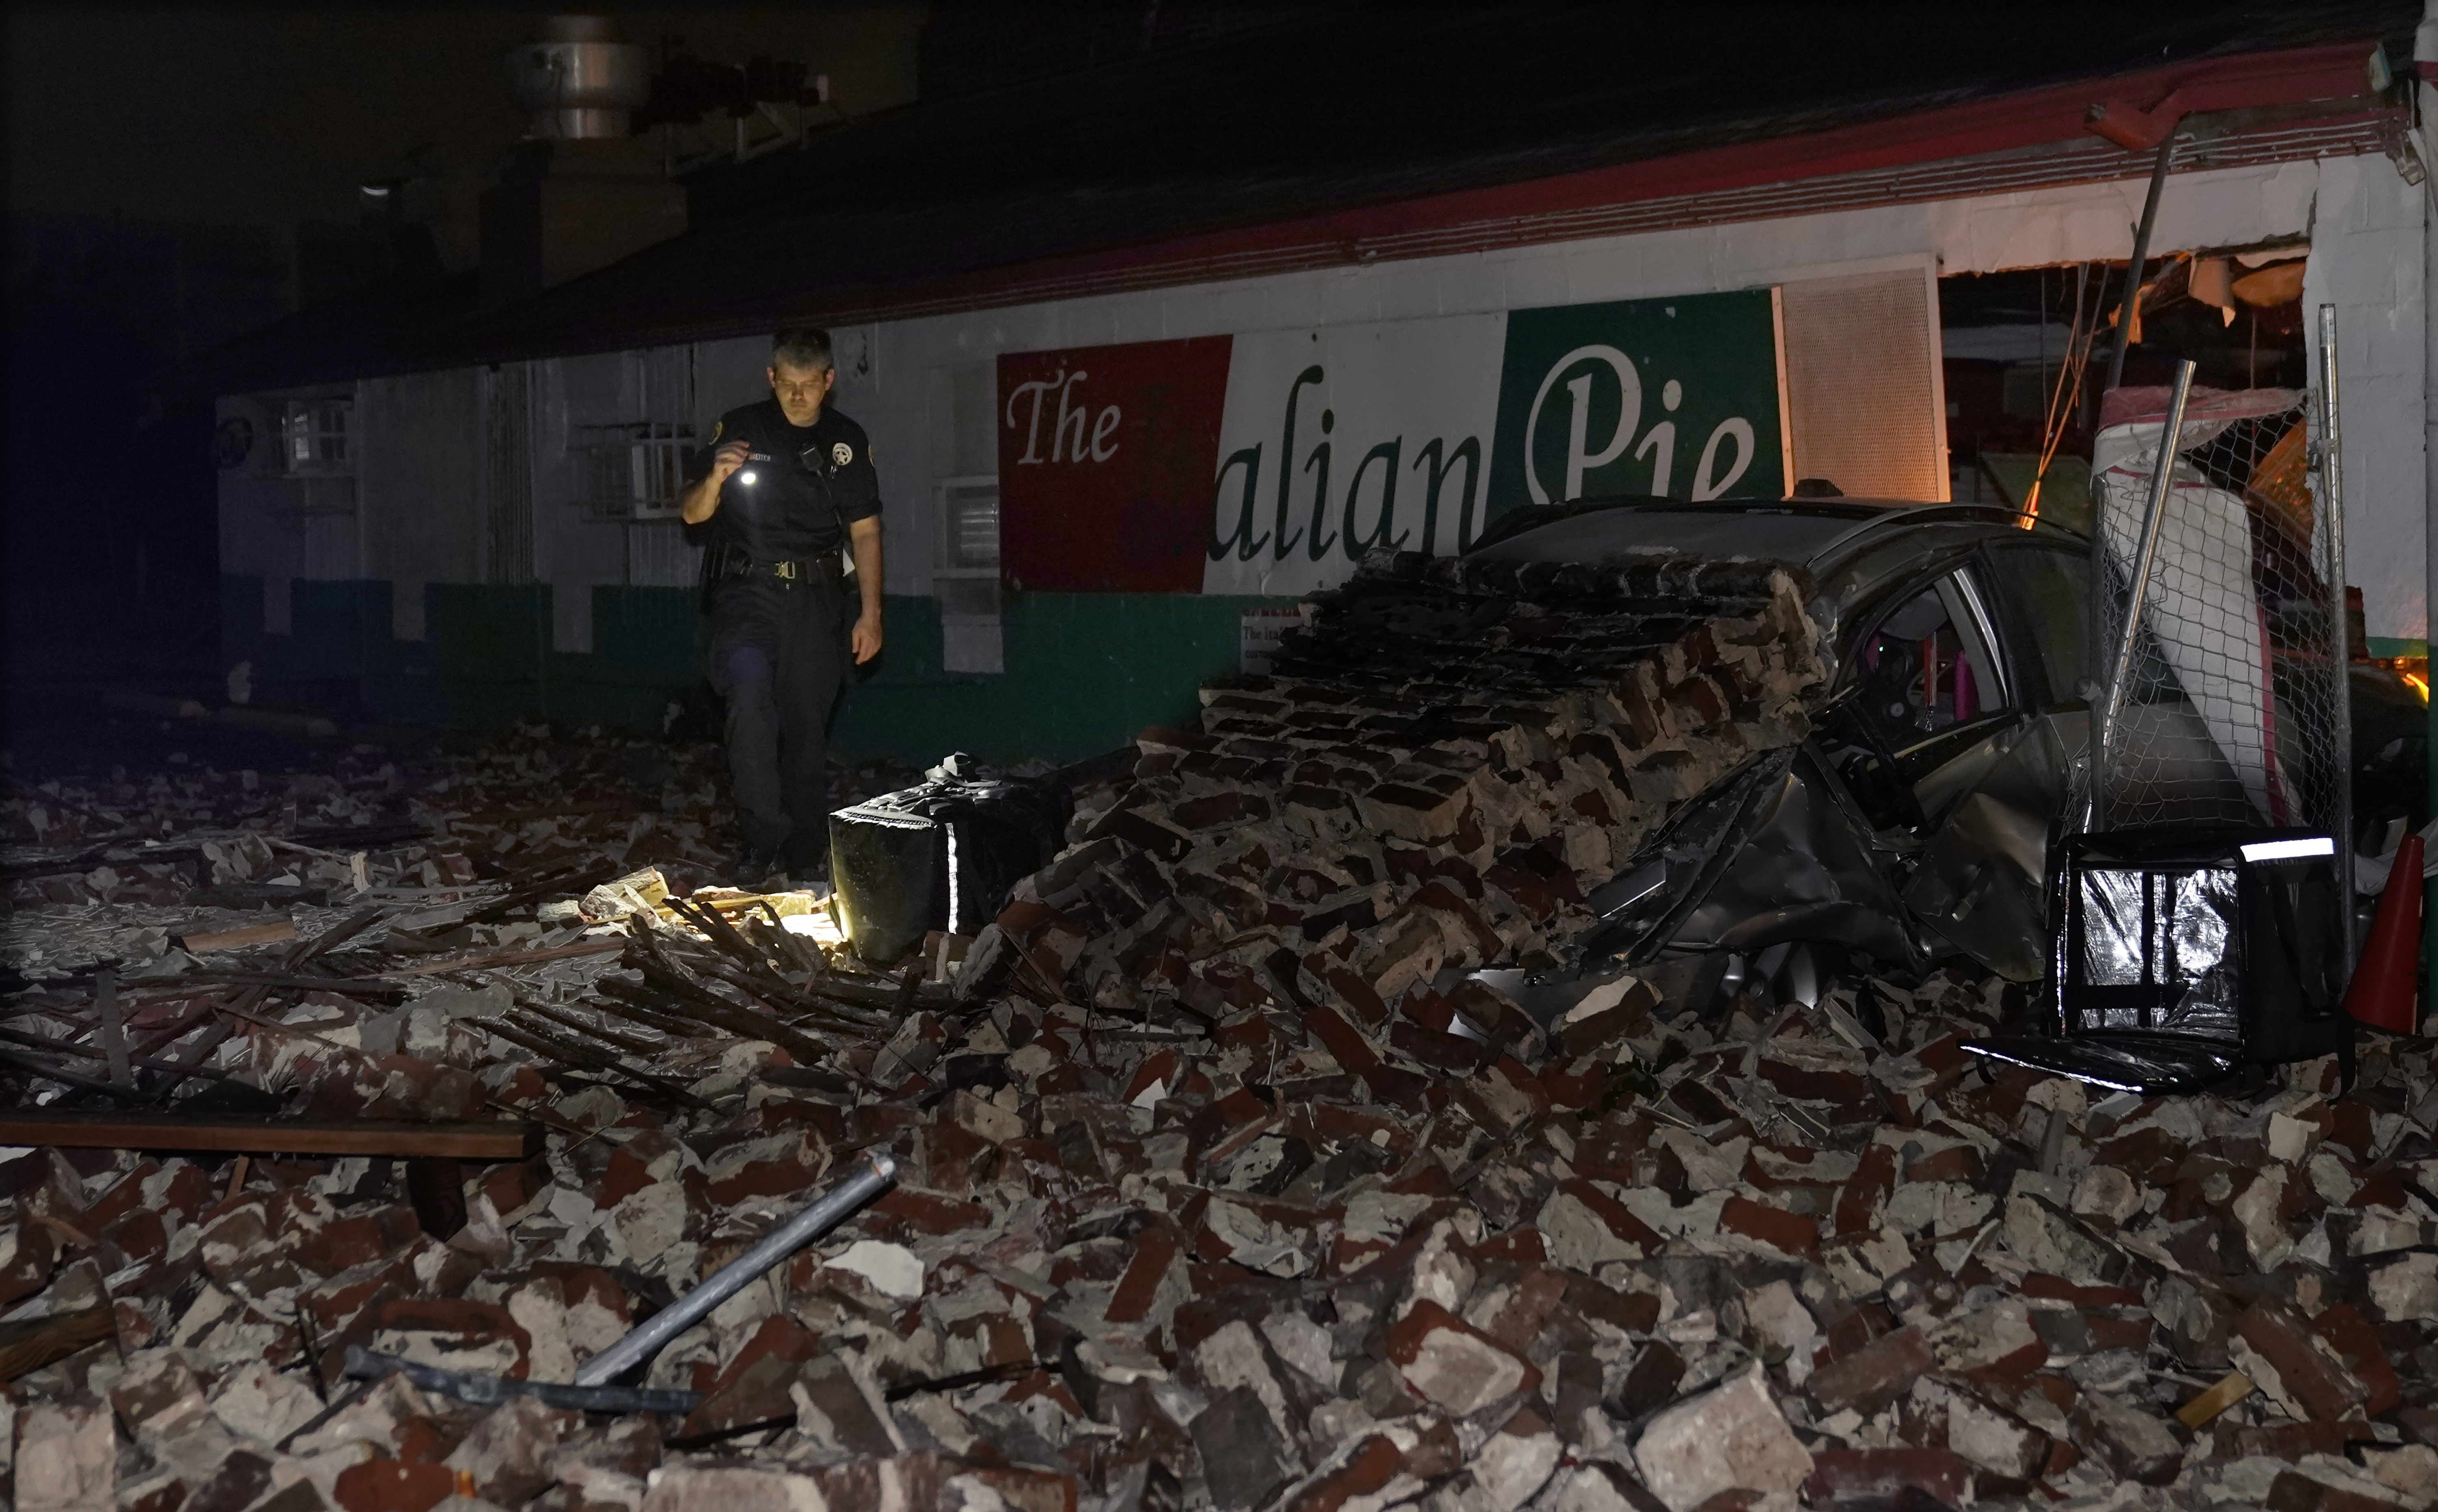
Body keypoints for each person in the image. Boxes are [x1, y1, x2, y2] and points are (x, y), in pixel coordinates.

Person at [680, 327, 883, 886]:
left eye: (808, 385)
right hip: (748, 594)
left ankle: (804, 853)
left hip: (818, 600)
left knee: (805, 728)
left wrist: (871, 614)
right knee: (748, 700)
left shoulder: (846, 441)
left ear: (828, 381)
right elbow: (694, 515)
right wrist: (716, 478)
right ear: (772, 378)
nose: (797, 396)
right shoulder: (741, 428)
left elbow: (865, 532)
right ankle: (762, 837)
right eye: (786, 384)